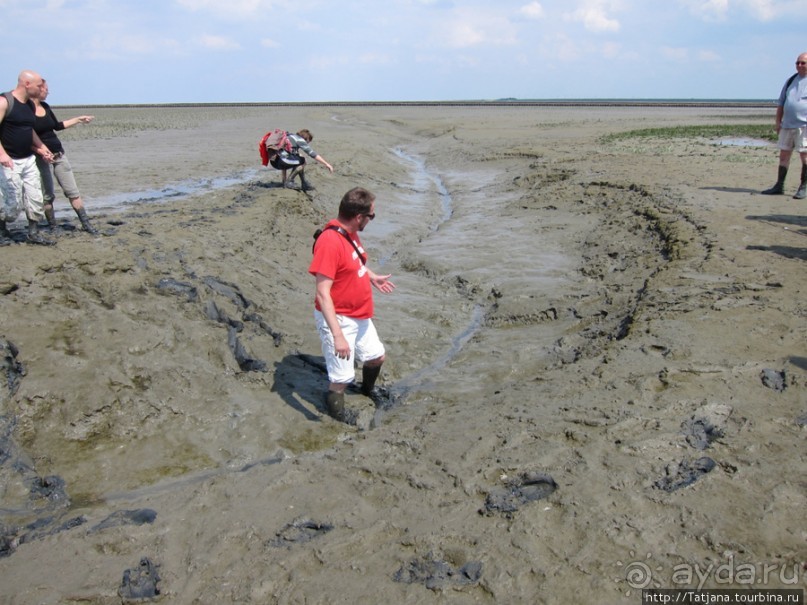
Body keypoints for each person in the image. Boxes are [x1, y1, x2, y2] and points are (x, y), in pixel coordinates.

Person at [309, 187, 395, 421]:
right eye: (371, 216)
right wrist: (338, 336)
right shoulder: (330, 242)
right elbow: (322, 293)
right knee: (341, 379)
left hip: (360, 314)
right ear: (359, 217)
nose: (371, 220)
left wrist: (372, 276)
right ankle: (337, 417)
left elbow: (353, 261)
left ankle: (367, 390)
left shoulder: (350, 233)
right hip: (339, 318)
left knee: (376, 357)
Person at [33, 81, 98, 234]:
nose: (48, 92)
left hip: (59, 155)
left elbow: (57, 126)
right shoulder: (25, 111)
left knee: (72, 191)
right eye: (46, 90)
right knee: (47, 195)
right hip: (40, 158)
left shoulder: (45, 106)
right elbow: (24, 135)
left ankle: (86, 224)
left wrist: (78, 119)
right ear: (37, 89)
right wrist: (40, 150)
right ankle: (53, 226)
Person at [0, 69, 55, 245]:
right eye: (39, 86)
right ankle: (2, 230)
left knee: (35, 197)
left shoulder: (30, 105)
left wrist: (42, 148)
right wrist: (2, 154)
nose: (41, 89)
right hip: (9, 161)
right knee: (12, 204)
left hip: (28, 159)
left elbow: (28, 129)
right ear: (27, 84)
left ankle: (33, 233)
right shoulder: (4, 102)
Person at [761, 52, 807, 199]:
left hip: (804, 126)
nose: (799, 65)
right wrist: (778, 122)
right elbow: (781, 103)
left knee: (805, 156)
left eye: (803, 63)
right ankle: (779, 185)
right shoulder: (790, 81)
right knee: (783, 156)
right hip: (787, 125)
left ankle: (803, 187)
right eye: (797, 63)